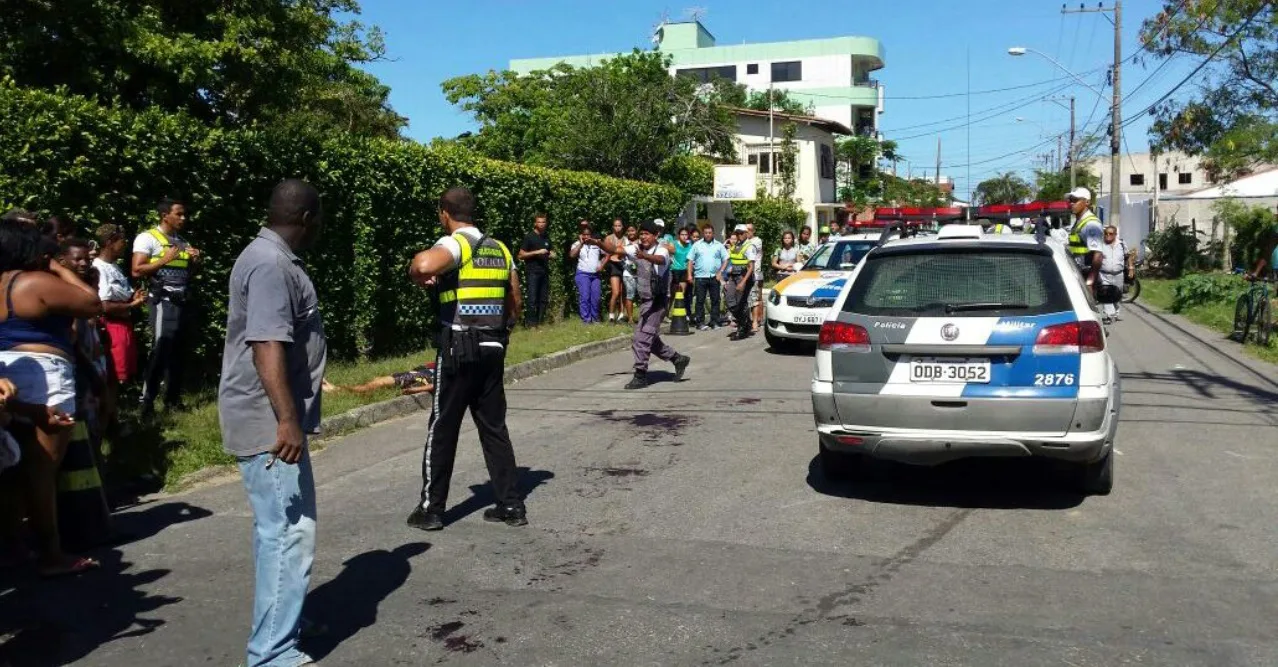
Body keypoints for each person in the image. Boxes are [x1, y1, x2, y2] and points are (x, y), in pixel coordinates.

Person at [218, 180, 326, 667]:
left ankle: (284, 623)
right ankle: (273, 653)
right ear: (306, 218)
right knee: (288, 532)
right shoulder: (270, 265)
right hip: (268, 423)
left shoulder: (269, 258)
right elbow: (267, 345)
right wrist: (287, 421)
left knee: (280, 532)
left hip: (271, 418)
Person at [406, 186, 525, 531]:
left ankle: (431, 509)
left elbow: (424, 263)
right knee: (494, 427)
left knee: (443, 427)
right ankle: (511, 504)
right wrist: (505, 332)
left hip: (459, 347)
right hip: (493, 346)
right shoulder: (500, 248)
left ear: (445, 212)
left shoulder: (455, 243)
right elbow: (514, 298)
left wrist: (417, 271)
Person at [0, 211, 102, 577]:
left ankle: (14, 544)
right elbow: (92, 302)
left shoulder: (1, 283)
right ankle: (51, 553)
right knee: (43, 470)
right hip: (43, 374)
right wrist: (60, 269)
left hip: (8, 376)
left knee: (11, 466)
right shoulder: (34, 283)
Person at [132, 196, 202, 416]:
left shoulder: (182, 241)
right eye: (179, 214)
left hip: (182, 301)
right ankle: (147, 402)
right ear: (165, 216)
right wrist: (164, 259)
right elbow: (136, 270)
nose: (184, 218)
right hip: (162, 300)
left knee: (178, 353)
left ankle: (172, 400)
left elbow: (186, 275)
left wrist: (194, 263)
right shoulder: (148, 238)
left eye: (184, 214)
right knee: (160, 349)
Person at [603, 221, 690, 389]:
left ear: (655, 235)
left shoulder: (662, 250)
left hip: (658, 302)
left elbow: (659, 260)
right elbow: (615, 250)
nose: (643, 237)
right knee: (650, 339)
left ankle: (640, 375)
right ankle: (678, 359)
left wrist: (645, 257)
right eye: (641, 233)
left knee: (641, 339)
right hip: (646, 302)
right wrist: (596, 242)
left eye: (646, 234)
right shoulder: (636, 248)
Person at [94, 224, 145, 385]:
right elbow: (104, 306)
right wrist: (132, 306)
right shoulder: (99, 268)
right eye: (122, 241)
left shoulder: (114, 267)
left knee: (120, 378)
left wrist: (133, 297)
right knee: (112, 377)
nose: (125, 245)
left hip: (124, 326)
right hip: (111, 327)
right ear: (110, 242)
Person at [687, 223, 727, 330]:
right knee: (700, 300)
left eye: (709, 233)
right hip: (700, 277)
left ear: (713, 233)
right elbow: (690, 260)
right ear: (703, 234)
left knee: (715, 300)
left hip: (714, 277)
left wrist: (720, 272)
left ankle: (714, 322)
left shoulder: (719, 245)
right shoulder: (697, 245)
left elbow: (726, 260)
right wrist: (689, 275)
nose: (708, 235)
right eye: (705, 233)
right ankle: (700, 322)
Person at [517, 213, 553, 328]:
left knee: (543, 299)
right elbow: (520, 255)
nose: (542, 224)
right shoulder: (529, 237)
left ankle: (540, 322)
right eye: (539, 222)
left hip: (544, 270)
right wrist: (537, 252)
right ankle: (531, 324)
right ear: (535, 223)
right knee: (532, 299)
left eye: (543, 222)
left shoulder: (546, 237)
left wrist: (552, 254)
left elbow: (550, 251)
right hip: (532, 271)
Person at [569, 220, 606, 323]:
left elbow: (608, 253)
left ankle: (595, 318)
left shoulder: (596, 243)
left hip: (596, 275)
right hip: (582, 274)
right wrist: (581, 243)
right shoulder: (577, 244)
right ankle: (586, 320)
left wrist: (602, 265)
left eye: (588, 234)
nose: (586, 236)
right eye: (584, 234)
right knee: (585, 297)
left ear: (591, 235)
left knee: (596, 298)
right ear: (581, 235)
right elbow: (572, 255)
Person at [1066, 187, 1104, 287]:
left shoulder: (1091, 224)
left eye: (1075, 200)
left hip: (1085, 276)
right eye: (1070, 200)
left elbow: (1098, 255)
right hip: (1077, 274)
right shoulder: (1079, 221)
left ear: (1087, 202)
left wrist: (1090, 282)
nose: (1071, 203)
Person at [324, 362, 435, 396]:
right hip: (417, 374)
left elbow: (440, 384)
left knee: (377, 383)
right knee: (376, 382)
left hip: (419, 377)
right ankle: (339, 390)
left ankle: (336, 390)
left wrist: (414, 390)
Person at [723, 224, 755, 340]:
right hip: (733, 276)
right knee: (729, 300)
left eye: (741, 233)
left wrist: (743, 282)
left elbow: (751, 267)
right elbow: (728, 259)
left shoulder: (749, 246)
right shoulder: (735, 245)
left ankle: (742, 328)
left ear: (746, 233)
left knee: (740, 304)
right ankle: (745, 322)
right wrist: (721, 271)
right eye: (737, 233)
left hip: (743, 277)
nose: (739, 235)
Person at [1096, 226, 1128, 322]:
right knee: (1106, 293)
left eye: (1110, 234)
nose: (1107, 235)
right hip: (1104, 274)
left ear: (1115, 235)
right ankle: (1109, 315)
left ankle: (1116, 313)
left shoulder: (1121, 244)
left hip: (1118, 274)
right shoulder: (1101, 244)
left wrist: (1131, 268)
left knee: (1117, 294)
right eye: (1106, 233)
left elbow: (1128, 255)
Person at [603, 218, 627, 324]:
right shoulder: (608, 238)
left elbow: (626, 252)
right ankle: (611, 316)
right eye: (615, 226)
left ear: (622, 227)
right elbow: (607, 252)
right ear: (613, 227)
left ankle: (621, 315)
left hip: (624, 265)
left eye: (619, 225)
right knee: (616, 292)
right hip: (613, 265)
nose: (617, 228)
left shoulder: (626, 239)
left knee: (623, 292)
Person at [745, 222, 764, 332]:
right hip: (746, 273)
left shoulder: (756, 241)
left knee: (756, 297)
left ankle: (757, 320)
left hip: (755, 273)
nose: (747, 232)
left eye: (749, 230)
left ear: (753, 231)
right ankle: (749, 320)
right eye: (745, 230)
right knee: (748, 298)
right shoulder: (744, 241)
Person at [620, 223, 639, 324]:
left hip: (641, 273)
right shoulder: (624, 242)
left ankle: (643, 318)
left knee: (643, 295)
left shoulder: (641, 242)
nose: (631, 233)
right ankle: (630, 319)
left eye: (633, 230)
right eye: (629, 231)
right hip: (628, 273)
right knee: (630, 295)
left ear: (636, 231)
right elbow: (618, 255)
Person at [669, 226, 694, 302]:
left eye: (686, 234)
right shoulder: (673, 243)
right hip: (675, 270)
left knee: (681, 294)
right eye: (682, 234)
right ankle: (666, 313)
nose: (684, 236)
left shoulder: (690, 245)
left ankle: (678, 312)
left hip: (685, 270)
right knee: (673, 294)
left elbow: (691, 259)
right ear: (679, 235)